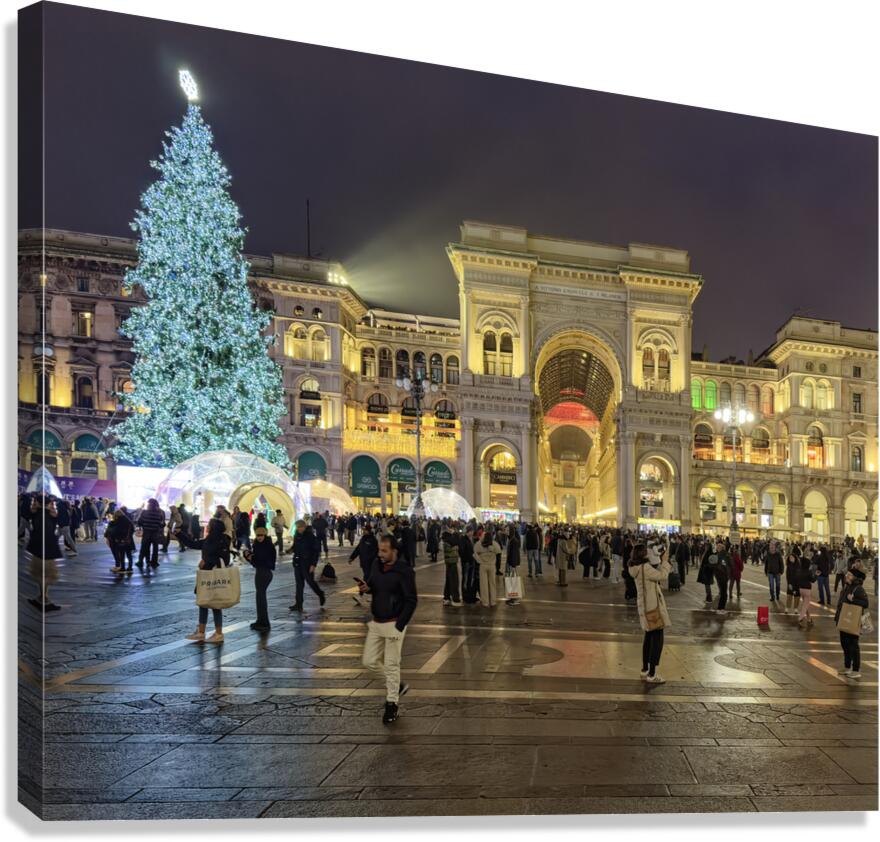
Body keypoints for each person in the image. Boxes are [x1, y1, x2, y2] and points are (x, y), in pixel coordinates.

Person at [358, 534, 418, 724]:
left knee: (392, 665)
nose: (380, 553)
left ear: (394, 551)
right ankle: (396, 685)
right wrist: (367, 588)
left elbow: (411, 599)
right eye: (379, 549)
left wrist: (400, 625)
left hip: (394, 623)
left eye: (384, 550)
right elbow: (375, 586)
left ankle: (392, 704)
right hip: (376, 621)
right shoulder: (376, 566)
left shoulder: (404, 571)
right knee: (368, 661)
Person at [178, 518, 231, 643]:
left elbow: (225, 559)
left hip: (213, 575)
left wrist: (207, 562)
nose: (206, 527)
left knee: (215, 604)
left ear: (213, 528)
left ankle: (218, 633)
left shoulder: (222, 540)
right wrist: (179, 534)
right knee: (203, 602)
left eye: (209, 525)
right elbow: (194, 544)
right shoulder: (209, 539)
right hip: (205, 575)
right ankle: (201, 632)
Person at [630, 541, 671, 683]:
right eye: (646, 551)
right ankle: (652, 674)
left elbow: (654, 574)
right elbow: (663, 576)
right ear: (643, 554)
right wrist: (665, 561)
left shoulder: (636, 567)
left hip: (644, 607)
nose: (648, 552)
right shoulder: (645, 568)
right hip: (653, 608)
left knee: (648, 638)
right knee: (657, 640)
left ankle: (644, 669)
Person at [26, 496, 63, 611]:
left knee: (42, 575)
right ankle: (43, 599)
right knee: (44, 575)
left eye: (35, 501)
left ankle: (43, 598)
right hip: (46, 549)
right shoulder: (47, 514)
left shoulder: (39, 514)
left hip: (41, 549)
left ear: (38, 502)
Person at [835, 567, 869, 679]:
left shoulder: (858, 589)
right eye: (847, 574)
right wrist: (837, 618)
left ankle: (856, 669)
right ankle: (847, 667)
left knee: (853, 646)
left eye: (849, 575)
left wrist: (853, 599)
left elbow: (865, 603)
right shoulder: (847, 587)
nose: (846, 576)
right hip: (844, 619)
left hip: (853, 621)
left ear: (854, 577)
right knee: (844, 644)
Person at [243, 526, 276, 632]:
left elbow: (261, 559)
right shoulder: (259, 545)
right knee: (260, 597)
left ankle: (264, 622)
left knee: (261, 597)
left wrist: (250, 557)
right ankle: (261, 620)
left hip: (264, 572)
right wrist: (250, 557)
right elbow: (256, 561)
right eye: (257, 535)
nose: (259, 537)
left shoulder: (266, 546)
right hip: (261, 571)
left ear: (265, 535)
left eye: (261, 535)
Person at [290, 519, 326, 612]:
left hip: (307, 563)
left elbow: (316, 551)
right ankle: (298, 604)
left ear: (304, 527)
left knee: (310, 581)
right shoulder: (296, 535)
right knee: (299, 584)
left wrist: (313, 564)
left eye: (300, 527)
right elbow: (295, 546)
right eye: (297, 527)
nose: (299, 529)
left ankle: (320, 594)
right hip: (298, 562)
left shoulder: (310, 536)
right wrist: (290, 550)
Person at [136, 498, 165, 570]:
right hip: (155, 533)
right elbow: (162, 524)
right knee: (155, 549)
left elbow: (139, 522)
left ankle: (141, 562)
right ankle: (154, 562)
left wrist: (143, 525)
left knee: (144, 548)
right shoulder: (159, 513)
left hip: (146, 533)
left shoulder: (144, 512)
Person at [474, 530, 501, 607]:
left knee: (483, 584)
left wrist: (479, 561)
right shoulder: (495, 544)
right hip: (492, 565)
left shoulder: (479, 544)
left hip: (483, 566)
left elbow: (475, 553)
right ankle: (493, 601)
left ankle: (485, 602)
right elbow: (499, 552)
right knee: (492, 583)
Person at [107, 509, 136, 574]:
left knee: (122, 554)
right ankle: (130, 567)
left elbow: (116, 531)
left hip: (121, 540)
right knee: (129, 555)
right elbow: (132, 529)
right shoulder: (128, 521)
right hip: (129, 540)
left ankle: (122, 567)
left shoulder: (117, 521)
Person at [441, 527, 462, 606]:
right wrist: (455, 534)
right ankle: (455, 600)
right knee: (454, 581)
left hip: (449, 562)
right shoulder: (449, 540)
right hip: (452, 562)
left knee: (449, 581)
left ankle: (446, 598)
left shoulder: (447, 540)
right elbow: (457, 541)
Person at [798, 549, 816, 629]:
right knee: (805, 605)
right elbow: (813, 580)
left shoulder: (799, 570)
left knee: (806, 604)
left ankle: (809, 619)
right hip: (807, 590)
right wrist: (816, 575)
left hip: (800, 589)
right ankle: (801, 618)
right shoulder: (808, 572)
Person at [459, 526, 478, 604]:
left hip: (470, 562)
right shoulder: (463, 539)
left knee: (470, 579)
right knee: (466, 579)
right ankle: (465, 596)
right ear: (468, 531)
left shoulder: (470, 539)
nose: (472, 533)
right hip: (466, 562)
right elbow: (462, 552)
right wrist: (467, 558)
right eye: (471, 531)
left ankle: (469, 596)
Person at [505, 528, 522, 604]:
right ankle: (512, 598)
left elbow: (515, 554)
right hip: (511, 564)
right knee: (511, 582)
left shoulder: (513, 541)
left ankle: (515, 599)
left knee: (514, 582)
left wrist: (513, 565)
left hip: (513, 564)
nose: (506, 532)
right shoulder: (511, 540)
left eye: (508, 530)